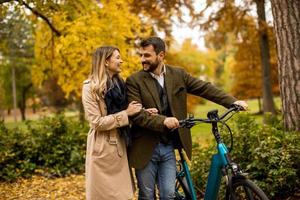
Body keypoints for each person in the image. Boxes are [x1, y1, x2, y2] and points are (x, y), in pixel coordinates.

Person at [126, 36, 248, 200]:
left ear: (161, 55)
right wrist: (163, 120)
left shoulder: (178, 75)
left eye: (147, 55)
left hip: (168, 146)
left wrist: (232, 102)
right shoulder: (134, 81)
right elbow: (137, 115)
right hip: (145, 147)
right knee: (147, 195)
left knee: (168, 195)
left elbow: (204, 88)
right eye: (141, 55)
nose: (142, 59)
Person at [82, 46, 143, 200]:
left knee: (122, 195)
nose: (121, 61)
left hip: (120, 142)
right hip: (102, 146)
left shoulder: (120, 84)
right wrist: (126, 114)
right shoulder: (90, 88)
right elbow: (96, 122)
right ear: (106, 62)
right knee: (105, 195)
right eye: (117, 57)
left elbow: (127, 109)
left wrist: (143, 111)